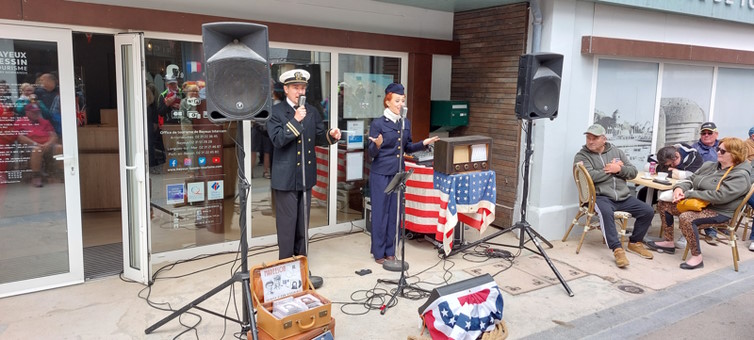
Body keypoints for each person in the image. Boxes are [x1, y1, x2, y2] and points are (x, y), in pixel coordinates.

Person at [266, 69, 341, 260]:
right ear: (286, 89)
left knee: (302, 225)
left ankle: (301, 265)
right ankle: (286, 265)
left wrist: (330, 137)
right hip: (285, 178)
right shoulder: (275, 112)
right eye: (295, 88)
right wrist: (295, 120)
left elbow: (317, 137)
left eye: (303, 88)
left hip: (305, 176)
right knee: (287, 226)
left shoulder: (312, 111)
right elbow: (278, 140)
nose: (300, 91)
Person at [647, 137, 752, 269]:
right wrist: (679, 189)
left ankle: (697, 257)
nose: (718, 152)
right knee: (664, 204)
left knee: (687, 218)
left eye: (723, 151)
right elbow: (690, 179)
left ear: (735, 154)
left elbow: (720, 196)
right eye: (718, 149)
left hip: (720, 211)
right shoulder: (710, 166)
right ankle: (669, 242)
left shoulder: (740, 175)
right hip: (698, 204)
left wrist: (689, 194)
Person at [367, 83, 439, 264]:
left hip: (398, 173)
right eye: (397, 100)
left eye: (402, 101)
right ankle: (378, 252)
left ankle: (391, 250)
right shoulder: (378, 123)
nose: (400, 104)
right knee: (380, 213)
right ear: (388, 101)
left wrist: (424, 143)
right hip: (381, 174)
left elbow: (407, 147)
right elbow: (370, 154)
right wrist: (376, 145)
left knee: (394, 213)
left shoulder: (405, 122)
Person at [573, 123, 655, 268]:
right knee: (606, 212)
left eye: (595, 138)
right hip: (600, 196)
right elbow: (590, 177)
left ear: (604, 139)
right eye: (588, 138)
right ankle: (617, 249)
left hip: (623, 196)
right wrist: (611, 170)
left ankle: (635, 242)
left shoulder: (617, 152)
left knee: (648, 211)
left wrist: (619, 169)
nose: (590, 141)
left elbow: (632, 172)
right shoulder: (582, 156)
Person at [14, 103, 62, 187]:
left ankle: (60, 174)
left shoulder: (45, 122)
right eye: (33, 112)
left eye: (37, 112)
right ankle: (36, 176)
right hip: (31, 145)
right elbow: (19, 137)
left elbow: (53, 135)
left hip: (47, 145)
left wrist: (48, 143)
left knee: (59, 148)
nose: (36, 114)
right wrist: (36, 144)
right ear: (27, 112)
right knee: (37, 150)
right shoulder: (20, 122)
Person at [690, 121, 724, 242]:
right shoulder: (694, 148)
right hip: (699, 180)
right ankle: (709, 229)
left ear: (716, 134)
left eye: (709, 132)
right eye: (703, 133)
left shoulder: (723, 148)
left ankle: (714, 226)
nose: (706, 135)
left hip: (720, 181)